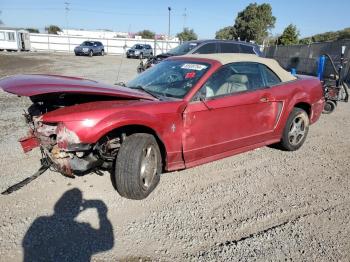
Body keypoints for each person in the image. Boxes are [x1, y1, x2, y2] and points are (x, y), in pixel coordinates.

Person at [22, 188, 114, 262]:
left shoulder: (40, 222)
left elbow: (27, 244)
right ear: (78, 209)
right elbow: (108, 243)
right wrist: (101, 210)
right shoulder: (81, 232)